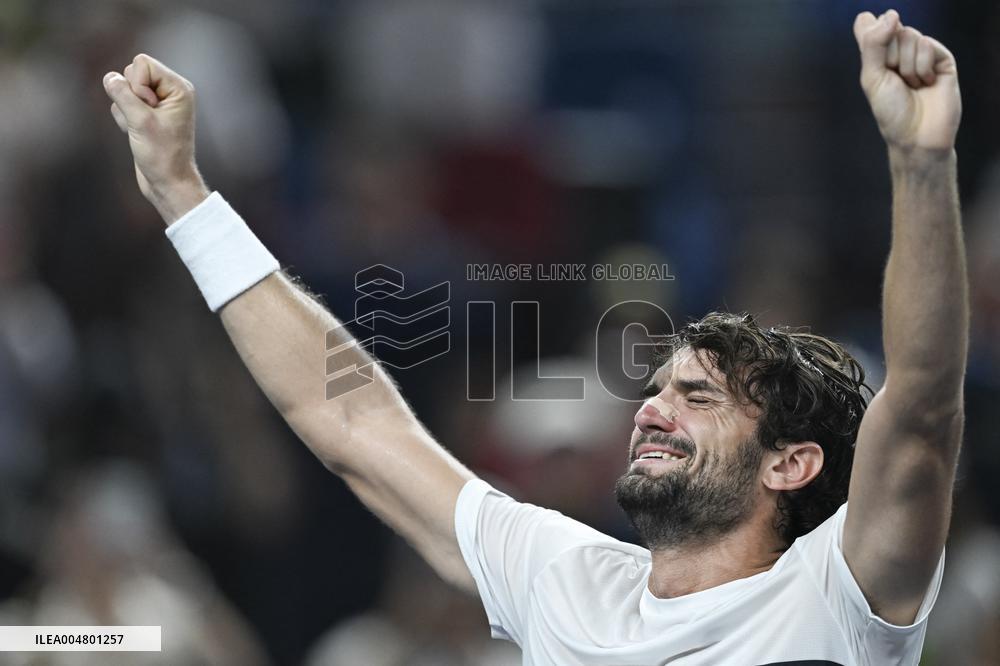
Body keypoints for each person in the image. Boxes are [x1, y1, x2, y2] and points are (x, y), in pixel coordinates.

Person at [101, 9, 965, 665]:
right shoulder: (563, 574)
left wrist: (921, 165)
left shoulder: (835, 597)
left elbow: (921, 410)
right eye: (660, 387)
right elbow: (356, 423)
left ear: (792, 462)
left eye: (697, 397)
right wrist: (183, 196)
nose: (654, 409)